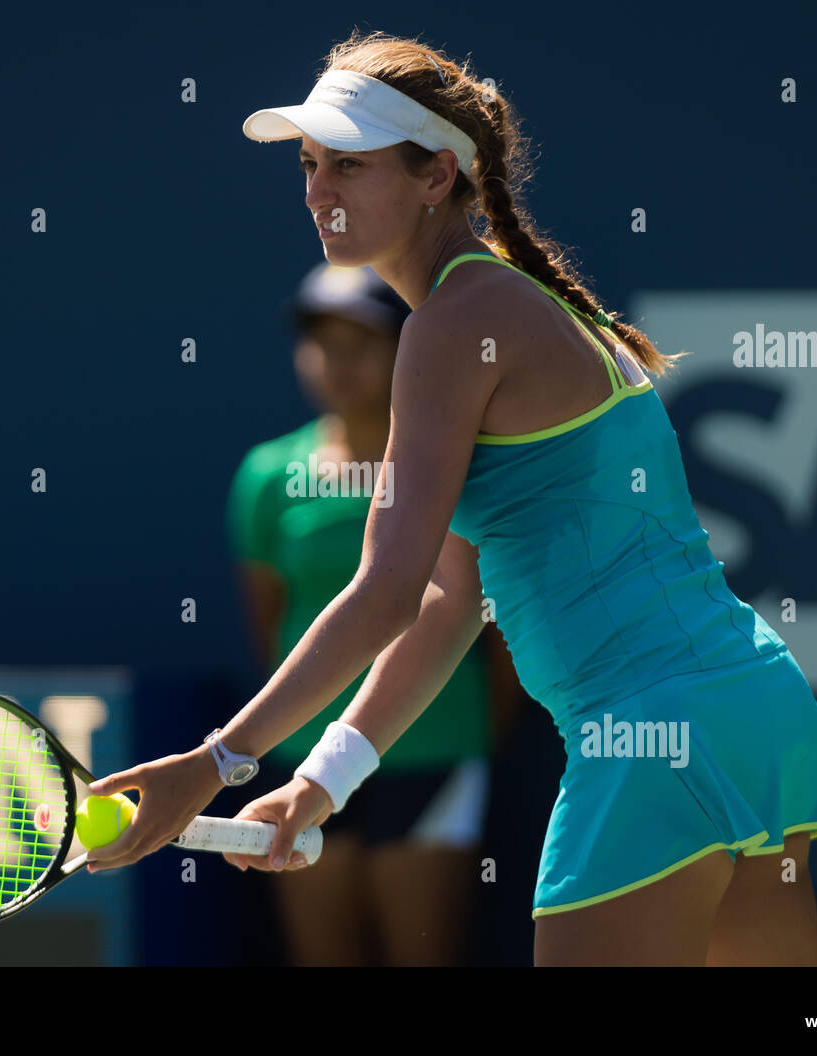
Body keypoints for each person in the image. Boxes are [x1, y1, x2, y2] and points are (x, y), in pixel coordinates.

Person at [85, 30, 817, 967]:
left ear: (436, 178)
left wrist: (216, 762)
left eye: (349, 163)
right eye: (308, 163)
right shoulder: (519, 306)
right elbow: (450, 599)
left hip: (649, 740)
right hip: (752, 712)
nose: (318, 190)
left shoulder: (456, 324)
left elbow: (384, 591)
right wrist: (325, 782)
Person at [226, 261, 520, 965]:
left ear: (406, 348)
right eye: (322, 342)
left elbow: (494, 625)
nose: (338, 361)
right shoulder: (267, 476)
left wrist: (476, 733)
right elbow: (270, 623)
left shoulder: (454, 464)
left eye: (361, 341)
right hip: (302, 758)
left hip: (434, 754)